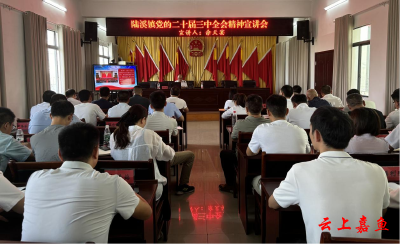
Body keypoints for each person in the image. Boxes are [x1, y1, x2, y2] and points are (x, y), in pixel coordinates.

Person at [268, 106, 389, 244]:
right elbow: (382, 209)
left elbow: (273, 203)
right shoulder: (377, 171)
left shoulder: (301, 171)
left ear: (317, 135)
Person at [22, 123, 152, 243]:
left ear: (60, 154)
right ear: (96, 151)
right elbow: (146, 212)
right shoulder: (112, 183)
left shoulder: (35, 178)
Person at [111, 105, 196, 196]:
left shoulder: (115, 135)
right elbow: (169, 155)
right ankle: (183, 186)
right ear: (143, 119)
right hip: (148, 188)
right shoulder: (149, 134)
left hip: (122, 188)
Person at [247, 95, 310, 195]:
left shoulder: (261, 129)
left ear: (268, 112)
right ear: (287, 111)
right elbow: (307, 154)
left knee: (253, 179)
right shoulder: (301, 131)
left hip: (270, 184)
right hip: (297, 184)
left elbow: (249, 153)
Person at [219, 95, 269, 193]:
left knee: (225, 154)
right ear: (262, 108)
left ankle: (231, 184)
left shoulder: (240, 123)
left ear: (246, 109)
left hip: (244, 158)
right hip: (266, 160)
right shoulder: (269, 123)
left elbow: (233, 137)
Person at [0, 108, 32, 172]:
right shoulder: (7, 140)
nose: (12, 128)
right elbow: (31, 156)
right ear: (6, 125)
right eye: (12, 125)